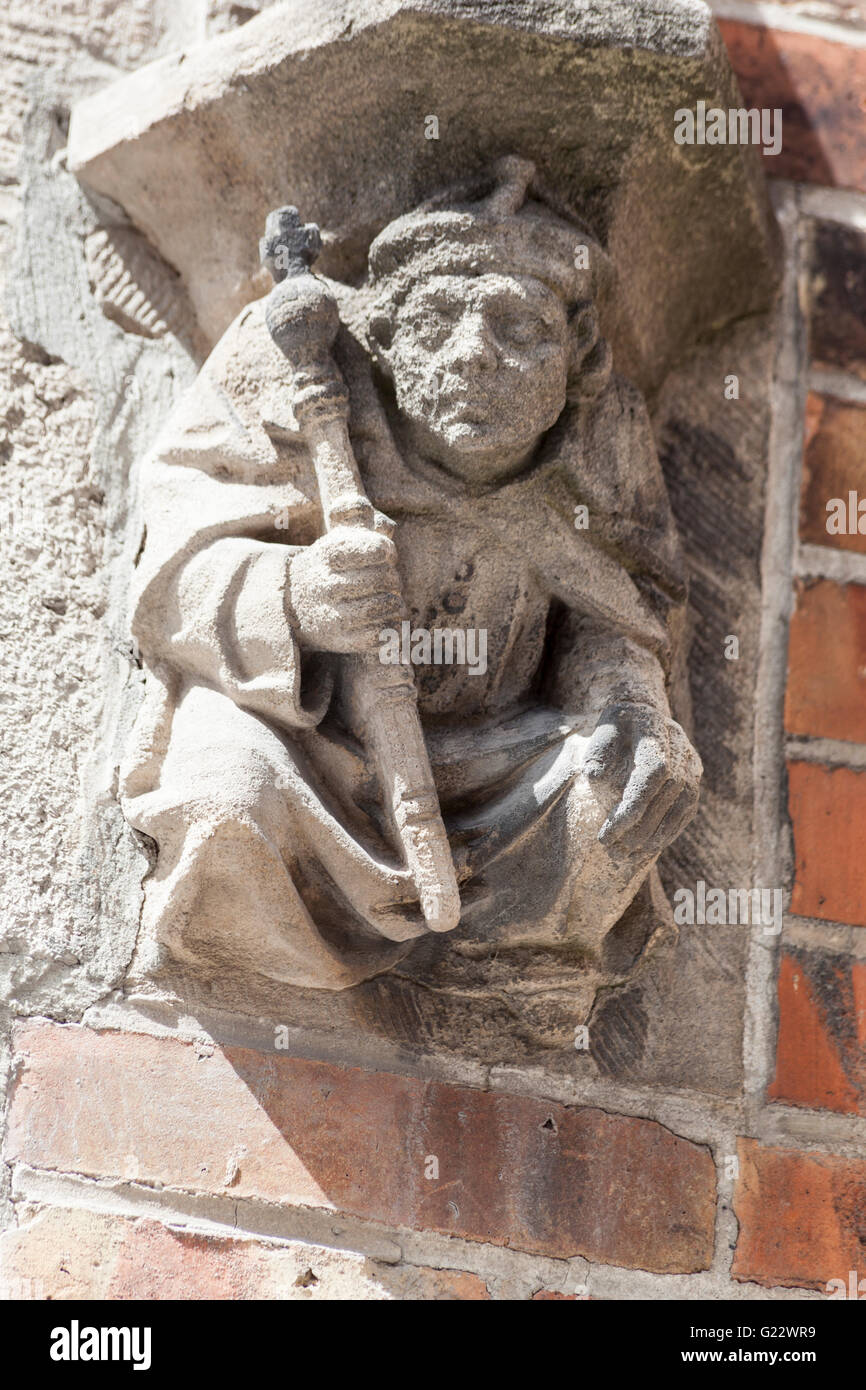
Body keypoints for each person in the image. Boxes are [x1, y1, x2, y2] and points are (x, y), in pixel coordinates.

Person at [121, 157, 701, 990]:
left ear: (581, 360)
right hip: (308, 745)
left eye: (518, 328)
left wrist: (631, 711)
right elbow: (173, 563)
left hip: (499, 761)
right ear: (384, 339)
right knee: (229, 802)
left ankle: (512, 985)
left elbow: (616, 616)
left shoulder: (601, 443)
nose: (472, 356)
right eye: (436, 323)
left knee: (614, 794)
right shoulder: (293, 365)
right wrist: (296, 600)